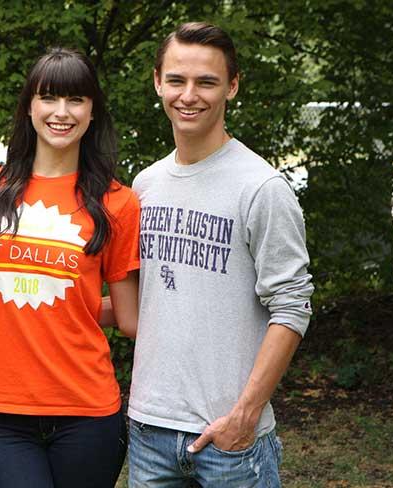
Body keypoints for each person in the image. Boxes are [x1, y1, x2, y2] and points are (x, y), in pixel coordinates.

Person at [128, 22, 314, 487]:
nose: (189, 95)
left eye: (206, 82)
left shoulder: (261, 188)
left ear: (232, 86)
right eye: (177, 80)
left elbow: (292, 308)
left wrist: (244, 415)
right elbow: (148, 300)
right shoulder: (144, 185)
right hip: (149, 432)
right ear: (157, 82)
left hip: (231, 442)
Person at [0, 47, 140, 488]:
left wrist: (66, 306)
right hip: (0, 409)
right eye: (49, 98)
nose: (62, 112)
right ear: (29, 109)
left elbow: (130, 318)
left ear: (93, 111)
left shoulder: (118, 203)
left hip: (87, 408)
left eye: (76, 99)